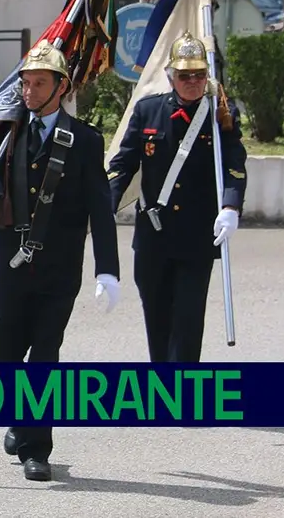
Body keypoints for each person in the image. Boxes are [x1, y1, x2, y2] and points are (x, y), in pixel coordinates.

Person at [0, 40, 120, 483]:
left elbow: (100, 207)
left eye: (40, 82)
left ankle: (37, 448)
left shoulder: (84, 141)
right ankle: (19, 419)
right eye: (25, 82)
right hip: (13, 264)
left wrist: (108, 269)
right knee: (1, 357)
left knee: (44, 356)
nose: (30, 91)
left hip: (60, 269)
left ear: (62, 87)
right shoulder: (3, 132)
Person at [107, 31, 246, 363]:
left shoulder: (220, 114)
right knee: (157, 321)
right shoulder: (148, 111)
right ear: (171, 77)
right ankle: (163, 392)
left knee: (186, 322)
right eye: (185, 75)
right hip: (153, 238)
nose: (193, 81)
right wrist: (102, 208)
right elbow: (122, 166)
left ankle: (182, 398)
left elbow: (234, 164)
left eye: (199, 75)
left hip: (196, 238)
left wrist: (230, 206)